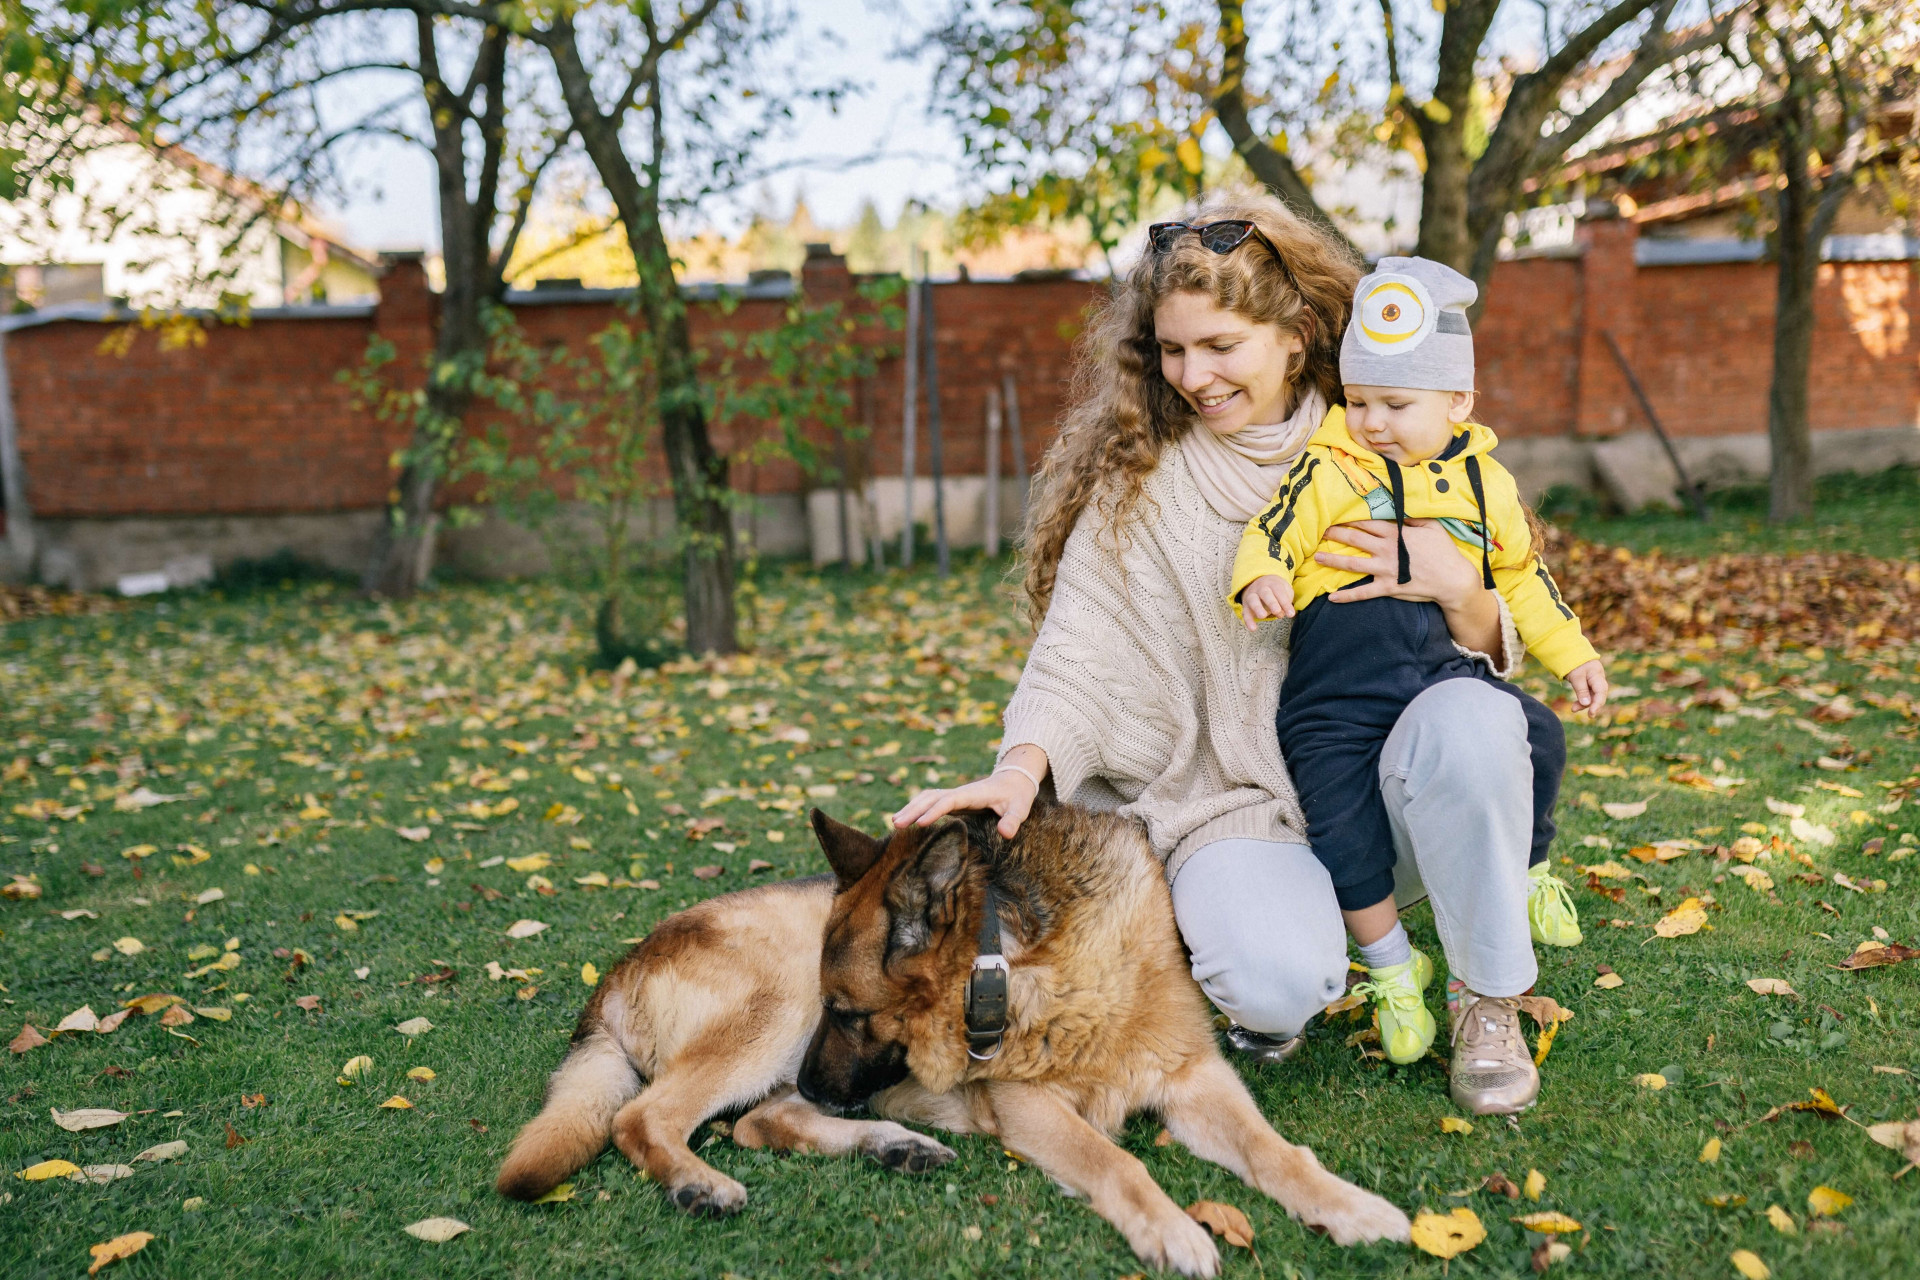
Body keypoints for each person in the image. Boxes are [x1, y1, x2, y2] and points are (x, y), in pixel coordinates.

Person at [894, 192, 1561, 1115]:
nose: (1192, 375)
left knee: (1482, 720)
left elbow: (1500, 641)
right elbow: (1078, 655)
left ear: (1293, 337)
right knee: (1279, 982)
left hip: (1381, 783)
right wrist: (1020, 770)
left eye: (1220, 346)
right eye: (1172, 349)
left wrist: (1458, 585)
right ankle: (1279, 929)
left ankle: (1487, 999)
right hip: (1233, 806)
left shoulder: (1389, 431)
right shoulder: (1141, 489)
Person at [1230, 256, 1606, 1069]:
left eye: (1396, 404)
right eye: (1358, 401)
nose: (1373, 421)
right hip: (1339, 690)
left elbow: (1524, 578)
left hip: (1443, 673)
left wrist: (1571, 652)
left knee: (1535, 734)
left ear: (1458, 402)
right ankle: (1395, 968)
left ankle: (1530, 868)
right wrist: (1261, 575)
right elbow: (1276, 529)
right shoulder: (1332, 465)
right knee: (1342, 823)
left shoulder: (1485, 485)